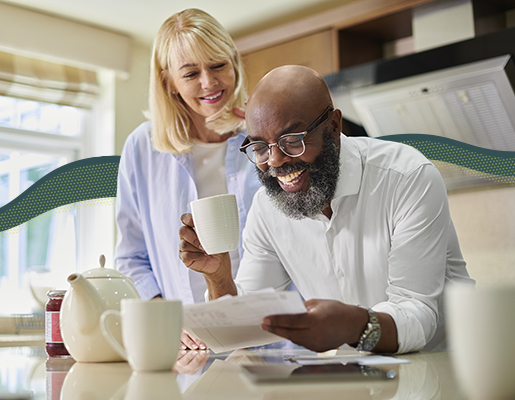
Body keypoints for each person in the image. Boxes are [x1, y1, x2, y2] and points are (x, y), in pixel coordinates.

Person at [179, 65, 475, 354]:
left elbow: (418, 313)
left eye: (292, 141)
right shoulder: (266, 209)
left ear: (333, 126)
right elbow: (249, 326)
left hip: (450, 371)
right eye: (260, 148)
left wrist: (354, 326)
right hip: (358, 378)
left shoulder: (407, 178)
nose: (276, 161)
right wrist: (218, 277)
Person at [115, 9, 260, 350]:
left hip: (268, 333)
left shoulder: (262, 138)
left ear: (234, 63)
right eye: (191, 73)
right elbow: (132, 258)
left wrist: (269, 126)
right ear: (169, 82)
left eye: (218, 65)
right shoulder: (143, 147)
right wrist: (167, 323)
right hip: (187, 344)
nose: (209, 83)